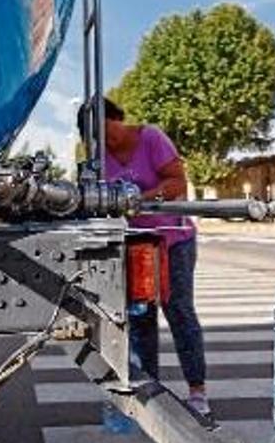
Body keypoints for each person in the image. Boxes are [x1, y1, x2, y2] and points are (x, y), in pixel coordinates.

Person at [96, 98, 211, 417]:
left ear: (118, 117)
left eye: (107, 129)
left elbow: (177, 183)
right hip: (134, 245)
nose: (107, 139)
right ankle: (150, 390)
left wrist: (139, 199)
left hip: (173, 239)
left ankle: (197, 391)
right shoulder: (99, 156)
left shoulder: (151, 138)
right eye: (97, 135)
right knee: (141, 318)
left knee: (179, 311)